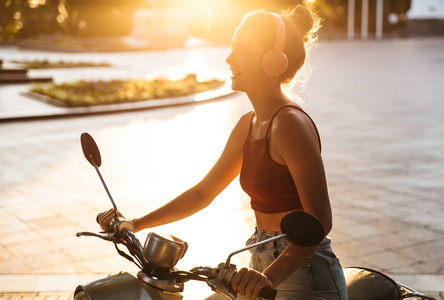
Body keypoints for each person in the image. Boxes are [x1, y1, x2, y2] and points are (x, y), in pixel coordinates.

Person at [98, 3, 347, 300]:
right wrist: (135, 224)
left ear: (272, 61)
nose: (229, 58)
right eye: (232, 48)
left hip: (305, 273)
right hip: (261, 260)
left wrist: (265, 278)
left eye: (242, 49)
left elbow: (320, 219)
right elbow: (203, 193)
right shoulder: (248, 124)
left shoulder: (289, 125)